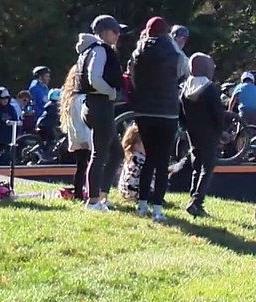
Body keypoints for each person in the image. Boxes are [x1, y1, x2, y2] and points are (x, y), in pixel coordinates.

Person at [128, 17, 183, 221]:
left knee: (149, 157)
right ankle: (158, 208)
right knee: (162, 160)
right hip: (167, 111)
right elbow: (182, 72)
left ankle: (142, 205)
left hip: (143, 110)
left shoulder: (137, 53)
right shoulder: (172, 52)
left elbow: (132, 77)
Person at [76, 15, 124, 212]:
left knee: (116, 153)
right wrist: (110, 91)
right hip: (100, 104)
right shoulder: (100, 50)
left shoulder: (88, 50)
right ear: (105, 32)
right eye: (115, 31)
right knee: (99, 155)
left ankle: (102, 197)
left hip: (92, 104)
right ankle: (93, 200)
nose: (118, 35)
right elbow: (94, 78)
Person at [181, 53, 224, 217]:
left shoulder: (186, 87)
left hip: (193, 132)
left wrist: (186, 127)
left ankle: (193, 197)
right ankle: (196, 202)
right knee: (207, 167)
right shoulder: (209, 88)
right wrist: (222, 131)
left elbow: (181, 113)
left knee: (196, 166)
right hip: (209, 132)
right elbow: (218, 113)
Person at [58, 65, 92, 201]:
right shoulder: (80, 99)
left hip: (79, 137)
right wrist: (83, 139)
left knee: (82, 166)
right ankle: (84, 193)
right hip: (84, 137)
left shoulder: (72, 98)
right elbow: (78, 122)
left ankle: (80, 192)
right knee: (85, 166)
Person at [117, 123, 146, 204]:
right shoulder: (139, 159)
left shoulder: (130, 157)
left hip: (125, 191)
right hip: (135, 192)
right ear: (135, 144)